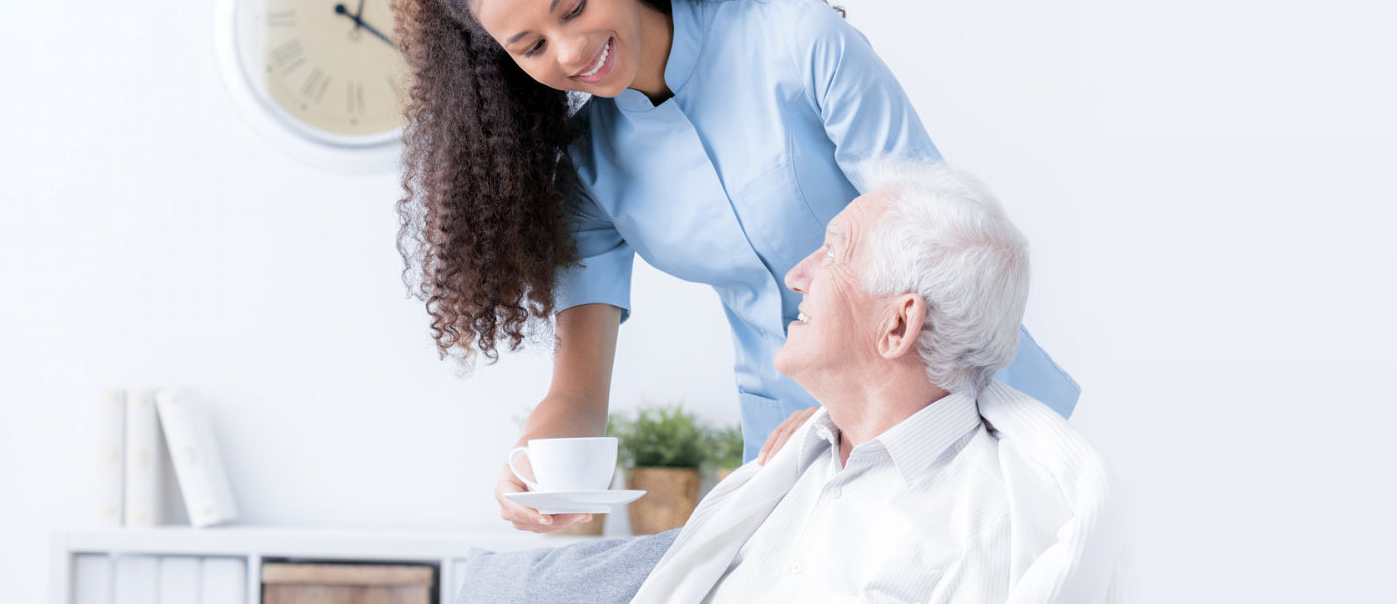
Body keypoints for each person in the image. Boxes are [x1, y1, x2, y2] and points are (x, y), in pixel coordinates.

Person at [383, 0, 1081, 534]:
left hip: (965, 412)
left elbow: (941, 247)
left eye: (574, 6)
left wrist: (855, 407)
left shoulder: (792, 39)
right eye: (530, 45)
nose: (570, 50)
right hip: (794, 454)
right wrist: (538, 458)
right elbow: (579, 389)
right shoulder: (589, 168)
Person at [458, 158, 1121, 604]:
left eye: (833, 251)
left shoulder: (978, 526)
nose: (796, 274)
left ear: (898, 325)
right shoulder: (786, 469)